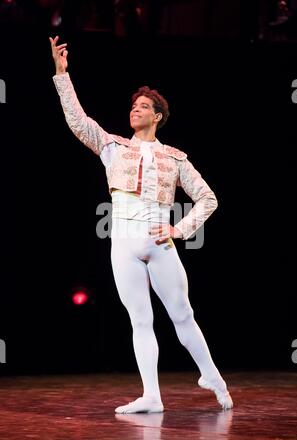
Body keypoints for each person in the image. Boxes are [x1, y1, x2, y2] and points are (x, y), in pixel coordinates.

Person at [49, 35, 233, 413]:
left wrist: (179, 230)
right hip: (123, 242)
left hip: (159, 241)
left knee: (183, 315)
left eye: (144, 106)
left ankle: (211, 375)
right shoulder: (113, 146)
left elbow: (208, 198)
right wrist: (61, 73)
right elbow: (77, 120)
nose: (135, 110)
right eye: (134, 105)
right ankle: (152, 395)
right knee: (140, 320)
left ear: (158, 116)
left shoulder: (176, 158)